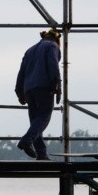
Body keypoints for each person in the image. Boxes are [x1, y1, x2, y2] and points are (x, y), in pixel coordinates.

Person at [15, 28, 62, 161]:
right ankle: (26, 141)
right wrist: (57, 85)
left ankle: (41, 153)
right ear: (57, 39)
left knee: (35, 120)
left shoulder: (30, 50)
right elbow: (53, 65)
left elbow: (21, 72)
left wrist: (19, 91)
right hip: (44, 87)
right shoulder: (52, 46)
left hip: (29, 89)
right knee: (44, 117)